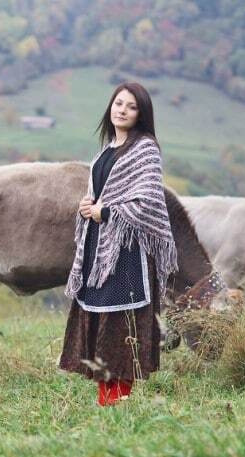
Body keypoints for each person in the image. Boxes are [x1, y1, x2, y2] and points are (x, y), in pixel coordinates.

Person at [59, 82, 178, 406]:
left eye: (131, 106)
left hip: (128, 252)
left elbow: (150, 202)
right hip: (100, 249)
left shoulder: (145, 149)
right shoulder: (106, 151)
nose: (121, 110)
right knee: (99, 316)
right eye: (118, 103)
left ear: (141, 114)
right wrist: (89, 206)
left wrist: (106, 210)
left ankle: (118, 399)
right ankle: (106, 399)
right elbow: (102, 195)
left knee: (120, 322)